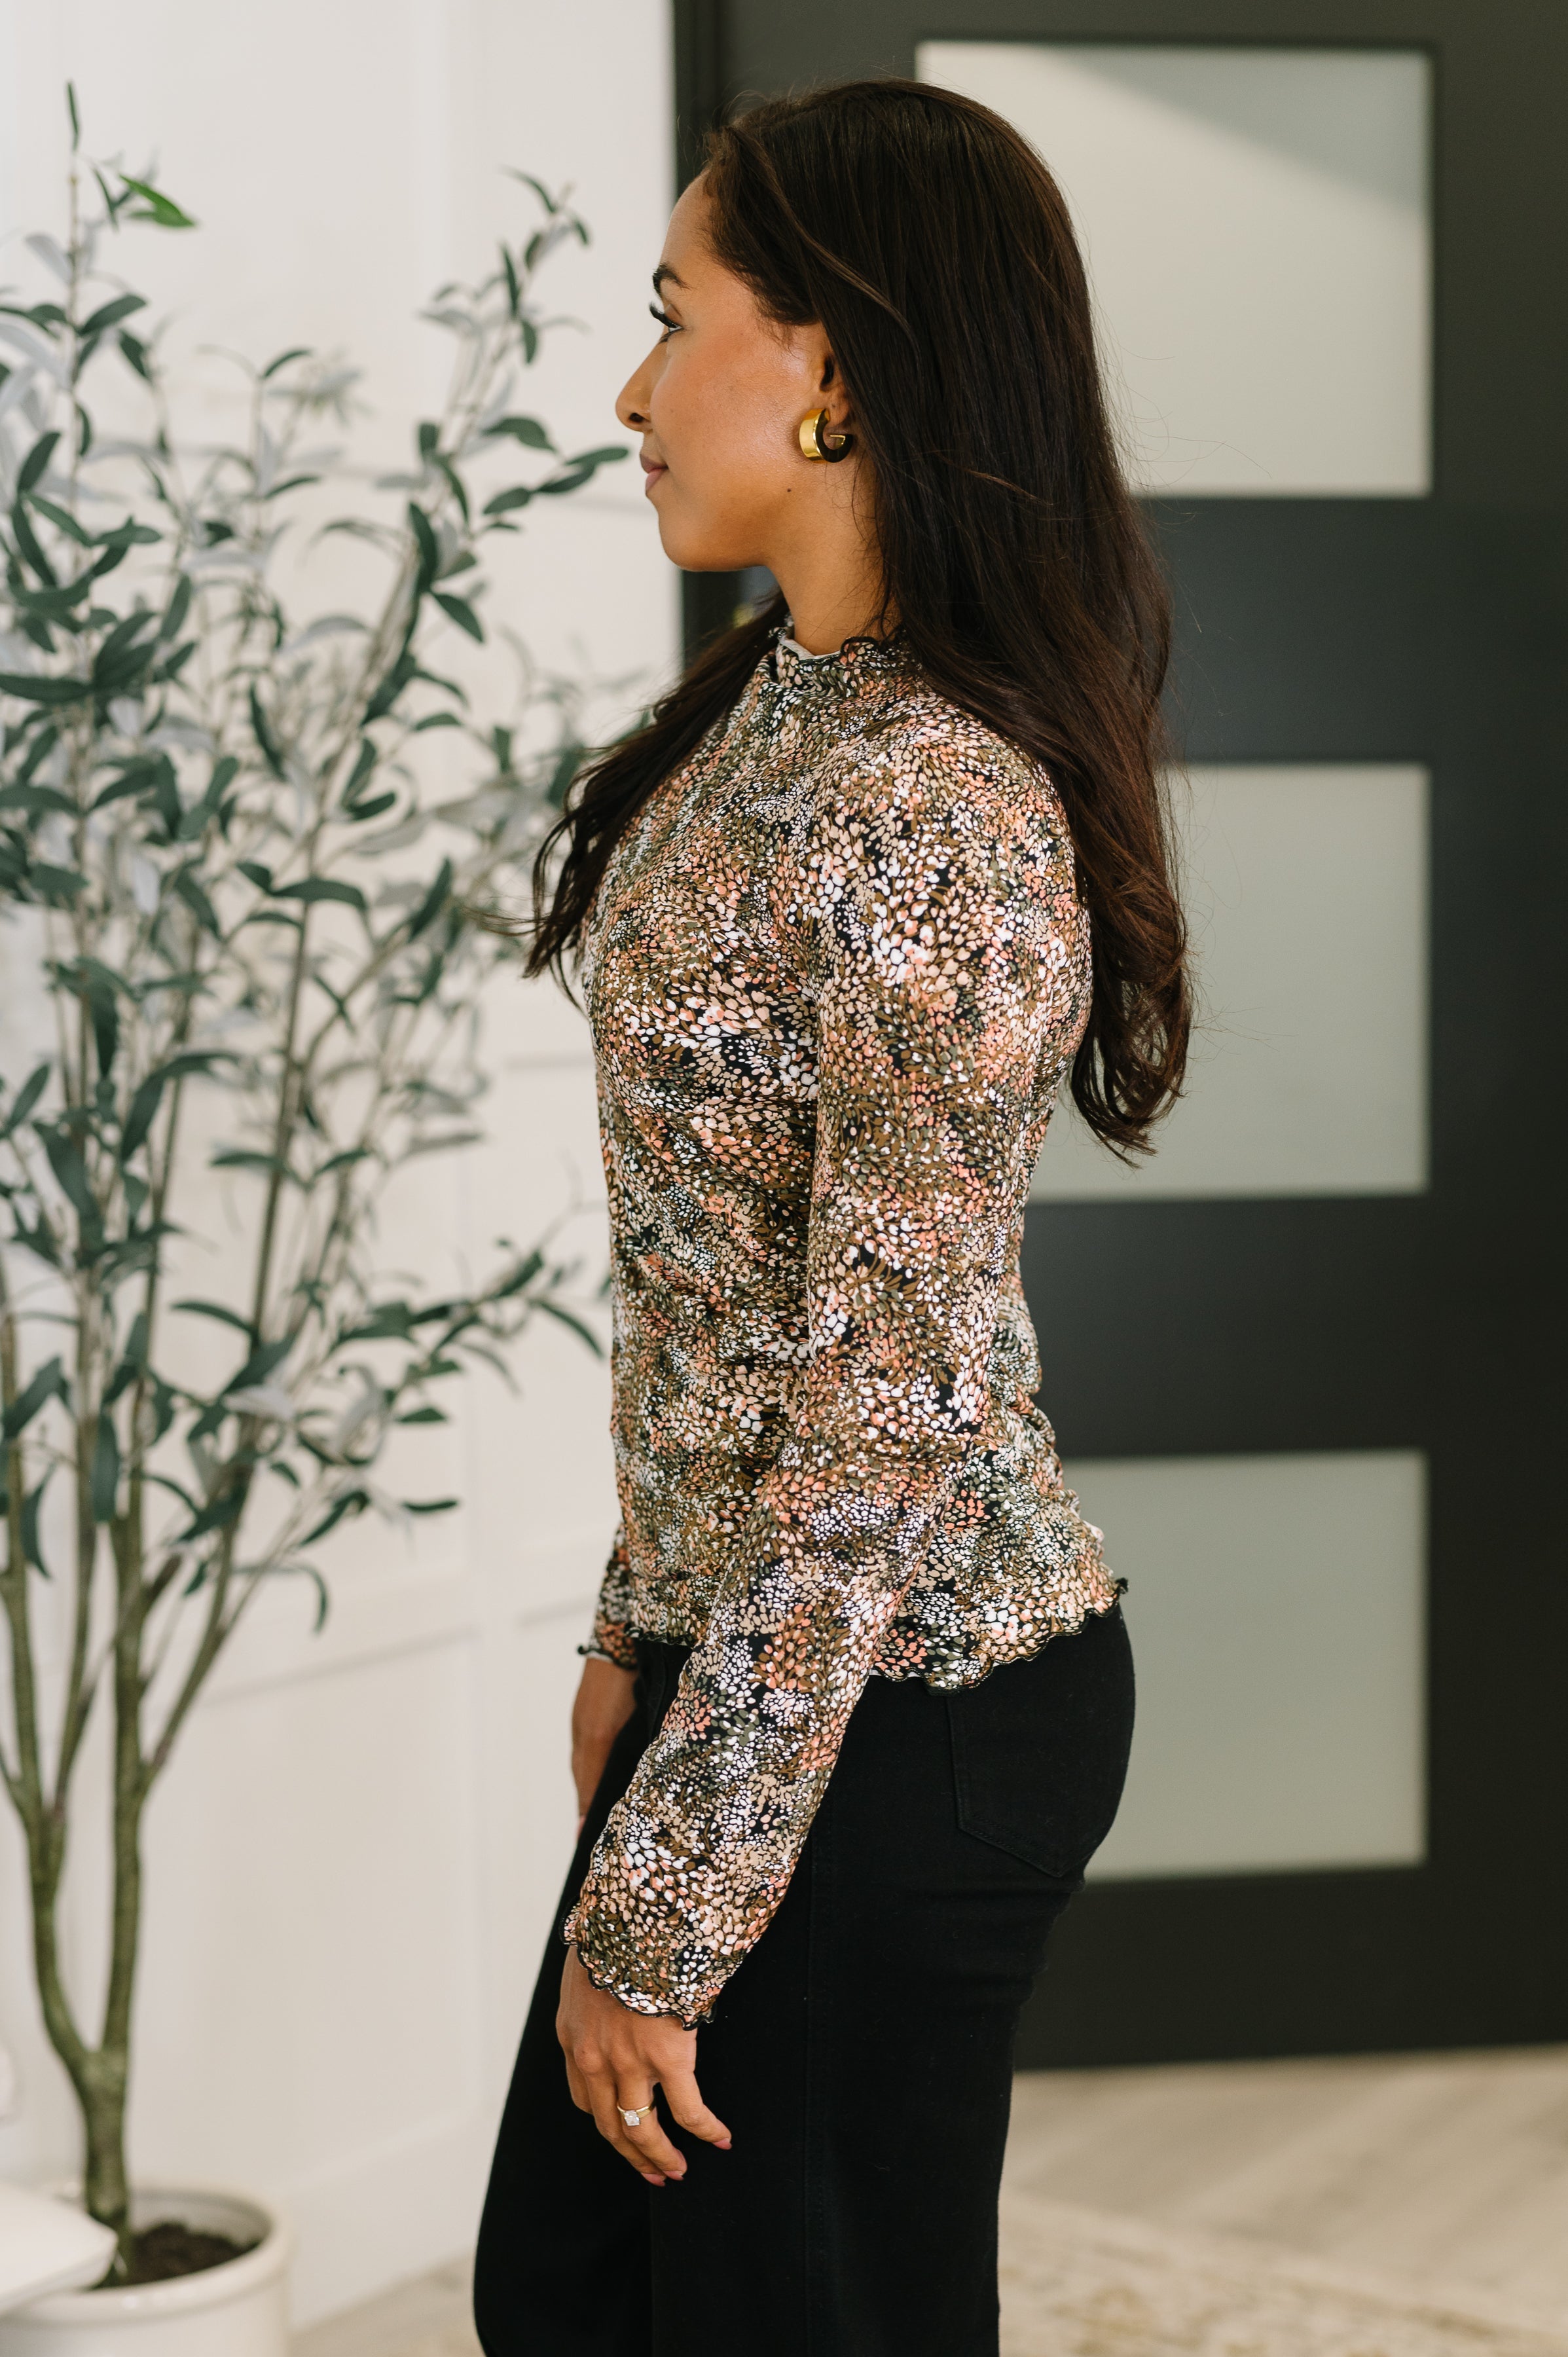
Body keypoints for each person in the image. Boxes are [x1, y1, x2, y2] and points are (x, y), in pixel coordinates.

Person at [473, 77, 1188, 2357]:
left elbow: (882, 1401)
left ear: (838, 363)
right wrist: (638, 1615)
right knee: (573, 2292)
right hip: (770, 1646)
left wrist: (666, 1907)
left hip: (918, 1692)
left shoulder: (928, 809)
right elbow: (718, 1272)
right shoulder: (776, 713)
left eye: (675, 315)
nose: (627, 382)